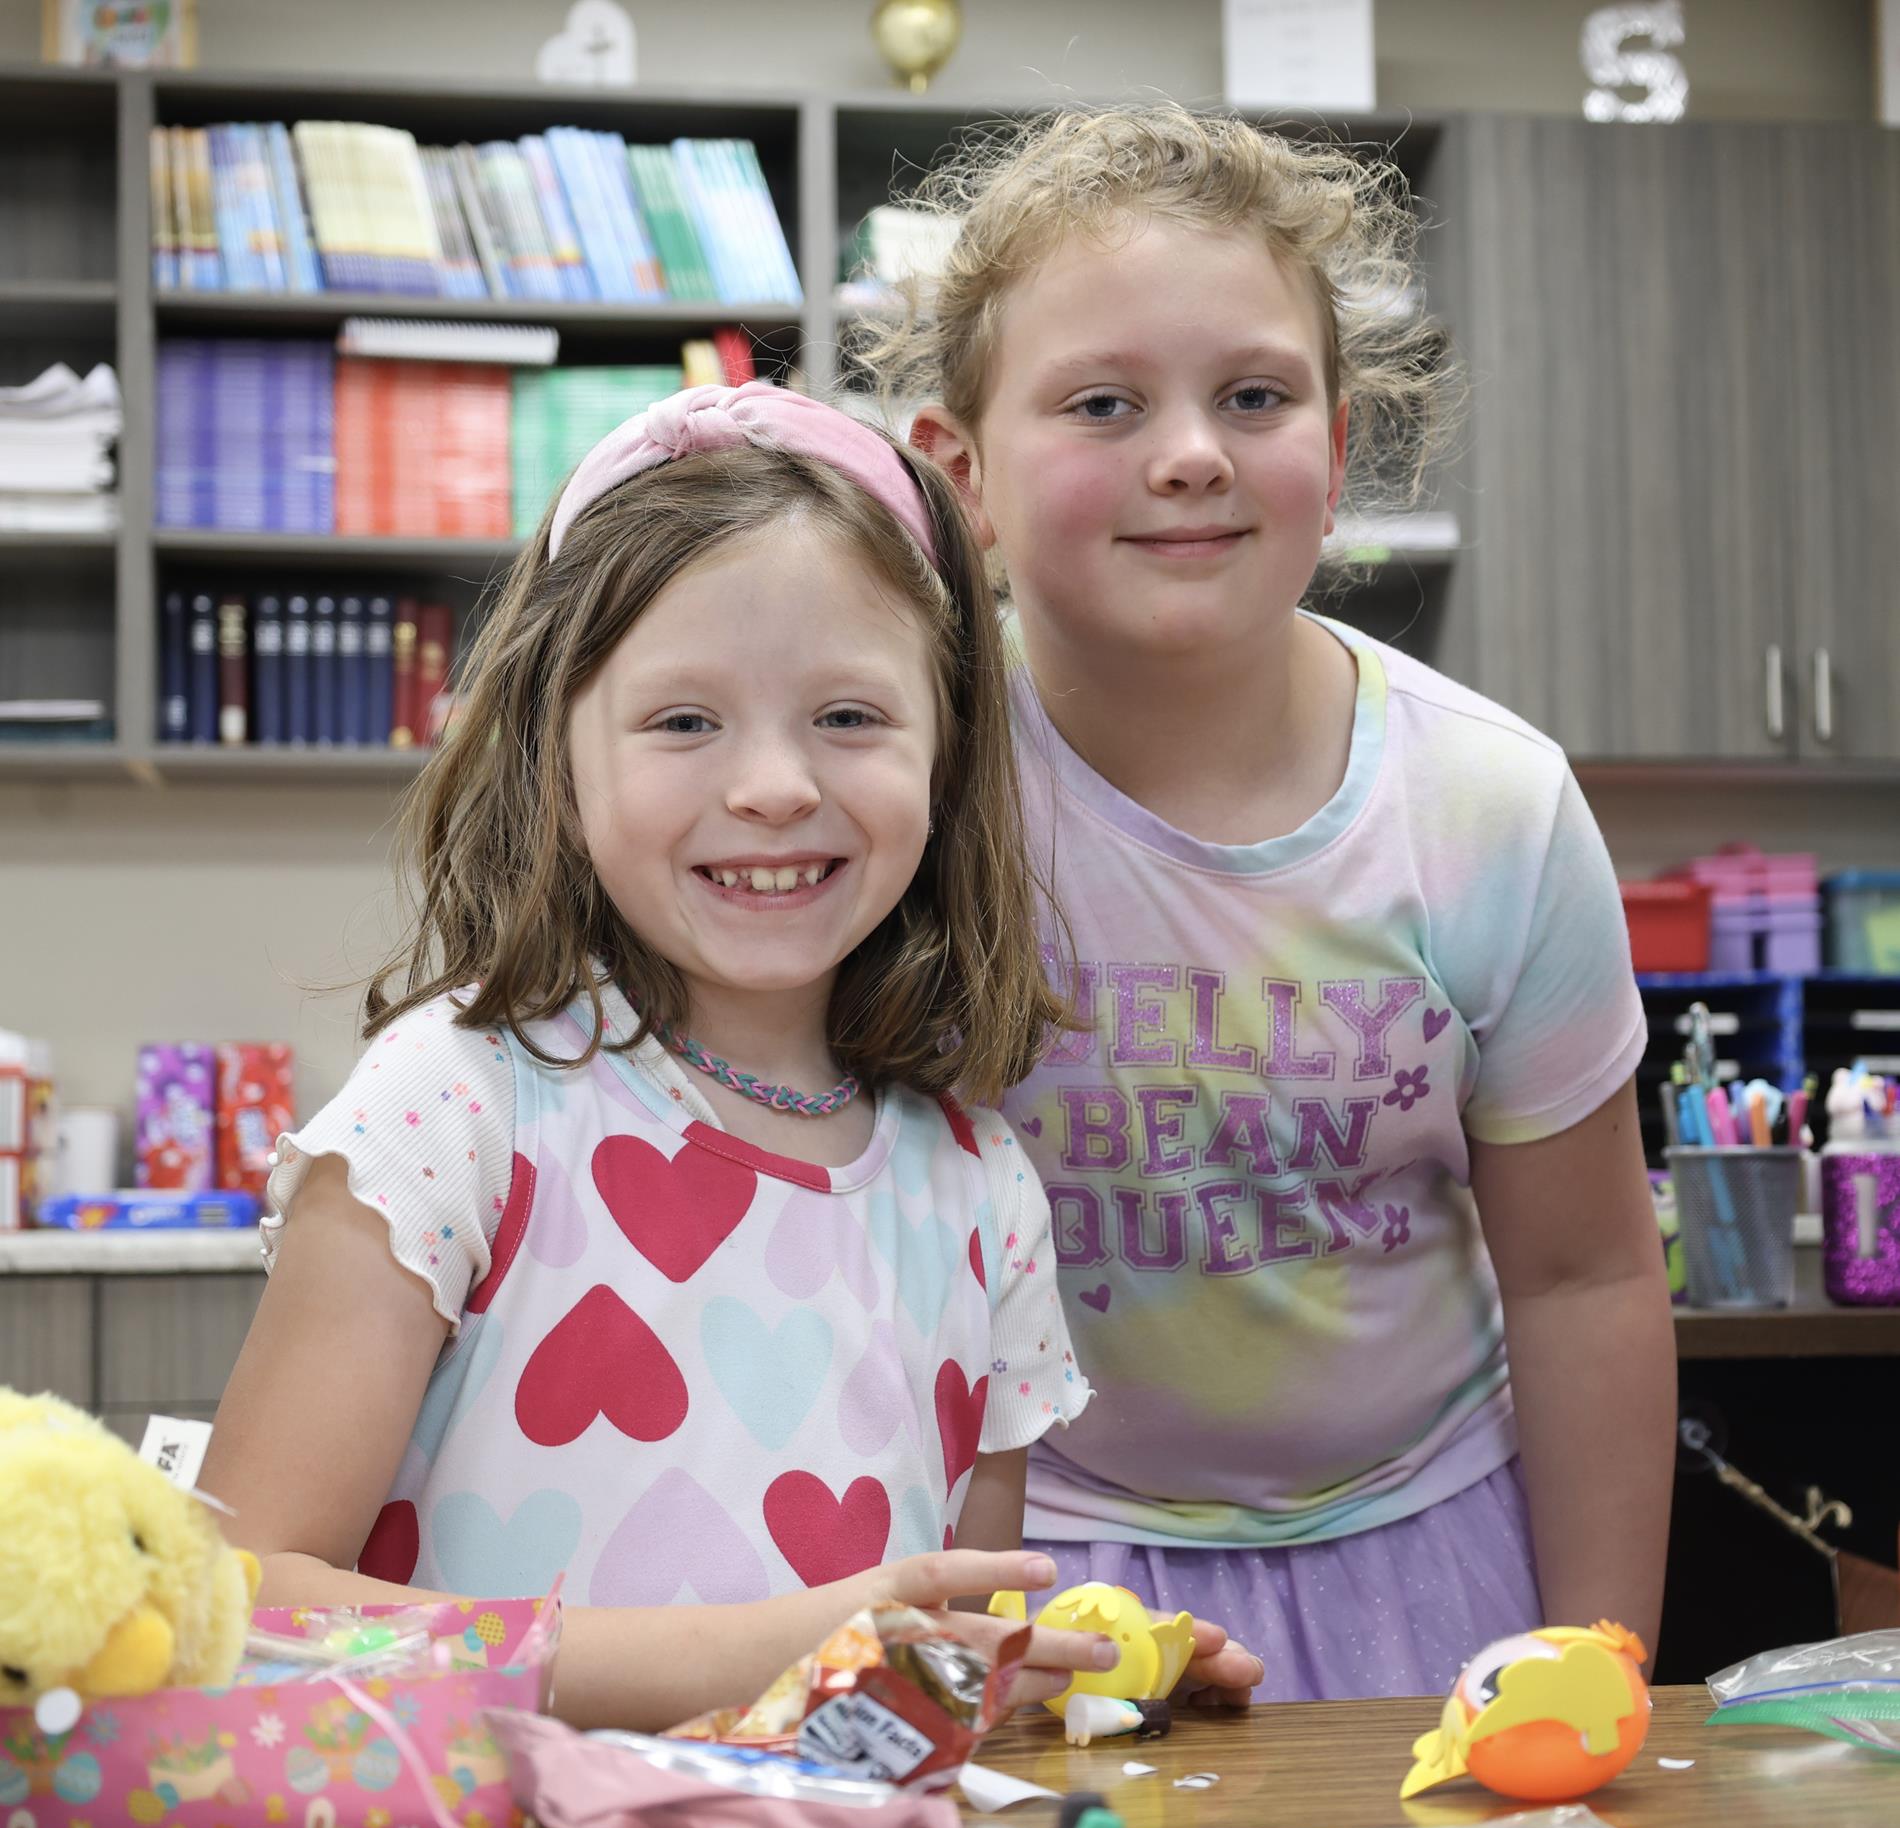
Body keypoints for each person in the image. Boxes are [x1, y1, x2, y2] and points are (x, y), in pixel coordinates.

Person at [868, 103, 1676, 1700]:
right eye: (1105, 402)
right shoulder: (907, 795)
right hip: (1024, 1584)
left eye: (1254, 396)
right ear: (959, 471)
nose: (1190, 452)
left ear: (1341, 445)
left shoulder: (1488, 809)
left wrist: (1602, 1664)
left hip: (1432, 1564)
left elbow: (1584, 1279)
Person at [200, 382, 1116, 1733]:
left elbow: (926, 1671)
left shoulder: (983, 1194)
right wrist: (763, 1649)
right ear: (552, 754)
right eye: (684, 721)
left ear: (947, 750)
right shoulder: (454, 1109)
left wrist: (1077, 1681)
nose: (772, 788)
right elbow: (243, 1609)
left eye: (850, 718)